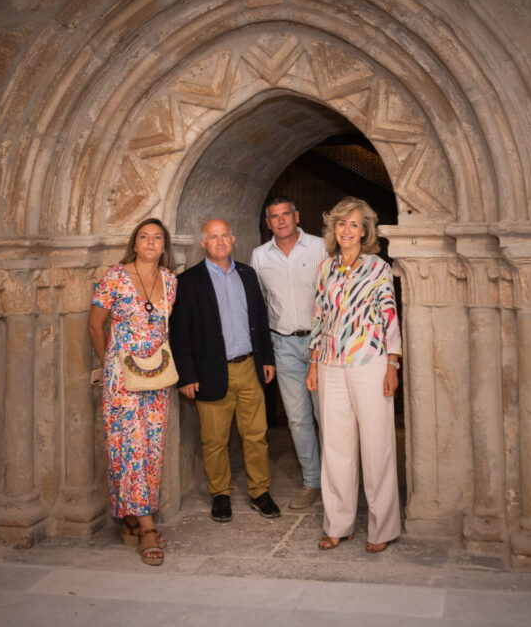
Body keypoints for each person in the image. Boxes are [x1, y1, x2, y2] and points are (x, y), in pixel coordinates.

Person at [305, 197, 402, 553]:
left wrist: (392, 364)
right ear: (334, 228)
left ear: (365, 232)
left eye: (354, 224)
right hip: (330, 363)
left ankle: (382, 528)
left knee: (377, 446)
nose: (347, 230)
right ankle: (338, 524)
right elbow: (318, 318)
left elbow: (389, 317)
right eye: (341, 223)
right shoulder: (325, 268)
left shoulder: (377, 267)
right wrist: (313, 363)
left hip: (370, 362)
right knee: (336, 447)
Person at [170, 218, 281, 522]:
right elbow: (179, 333)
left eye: (225, 236)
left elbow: (260, 320)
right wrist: (187, 375)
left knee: (256, 435)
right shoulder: (189, 281)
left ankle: (260, 492)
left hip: (249, 368)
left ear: (233, 239)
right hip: (210, 372)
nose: (220, 242)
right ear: (202, 243)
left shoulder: (247, 274)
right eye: (213, 237)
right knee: (215, 440)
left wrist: (267, 358)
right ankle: (220, 494)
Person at [88, 218, 176, 566]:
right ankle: (149, 528)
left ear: (164, 246)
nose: (151, 242)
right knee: (130, 445)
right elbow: (95, 325)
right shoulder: (114, 276)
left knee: (151, 447)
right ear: (134, 244)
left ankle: (130, 521)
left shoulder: (170, 280)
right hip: (122, 377)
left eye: (157, 237)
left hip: (156, 376)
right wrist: (110, 362)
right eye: (144, 237)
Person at [251, 196, 327, 510]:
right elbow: (258, 305)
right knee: (298, 420)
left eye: (286, 214)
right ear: (268, 223)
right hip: (282, 344)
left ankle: (338, 482)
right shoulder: (259, 256)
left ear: (296, 216)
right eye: (274, 217)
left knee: (327, 416)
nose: (281, 221)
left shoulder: (321, 247)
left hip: (320, 345)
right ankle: (312, 483)